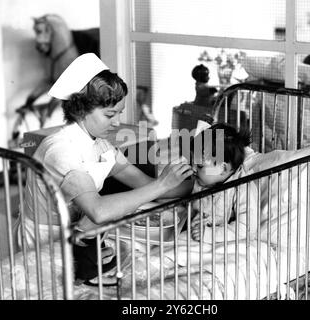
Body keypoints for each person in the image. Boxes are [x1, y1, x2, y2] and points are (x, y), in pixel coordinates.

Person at [15, 53, 194, 279]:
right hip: (46, 241)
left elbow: (143, 182)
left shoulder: (100, 145)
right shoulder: (61, 152)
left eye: (119, 113)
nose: (117, 122)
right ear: (81, 110)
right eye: (110, 114)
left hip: (79, 235)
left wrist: (196, 187)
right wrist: (162, 185)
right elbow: (98, 211)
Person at [189, 122, 258, 243]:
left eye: (199, 166)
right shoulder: (202, 181)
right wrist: (194, 218)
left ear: (223, 168)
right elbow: (194, 208)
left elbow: (246, 228)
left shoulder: (243, 187)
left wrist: (209, 234)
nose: (193, 169)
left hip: (230, 244)